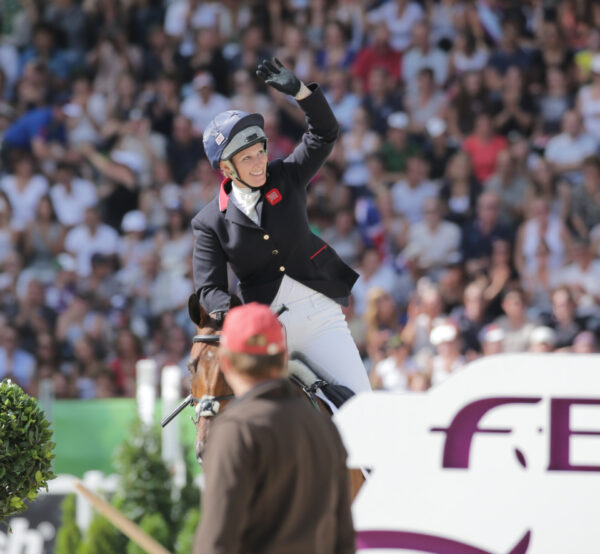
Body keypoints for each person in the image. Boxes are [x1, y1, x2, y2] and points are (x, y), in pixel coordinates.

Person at [192, 58, 371, 395]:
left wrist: (302, 94)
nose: (260, 162)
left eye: (261, 151)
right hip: (265, 330)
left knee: (363, 406)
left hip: (320, 316)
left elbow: (325, 133)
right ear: (227, 169)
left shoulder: (286, 176)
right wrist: (234, 316)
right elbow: (209, 289)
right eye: (247, 158)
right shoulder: (208, 223)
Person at [193, 302, 355, 554]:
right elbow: (344, 540)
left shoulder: (234, 432)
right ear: (282, 357)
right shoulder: (326, 427)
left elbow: (215, 544)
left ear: (227, 362)